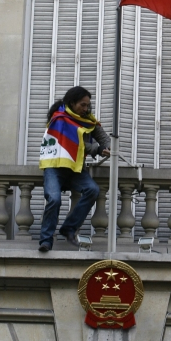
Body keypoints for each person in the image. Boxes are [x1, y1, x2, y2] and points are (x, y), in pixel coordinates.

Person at [38, 86, 110, 251]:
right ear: (72, 103)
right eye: (82, 105)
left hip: (75, 169)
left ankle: (69, 228)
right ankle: (46, 240)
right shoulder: (59, 119)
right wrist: (98, 150)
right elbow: (79, 146)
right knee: (54, 199)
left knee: (92, 190)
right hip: (54, 167)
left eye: (87, 106)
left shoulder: (88, 120)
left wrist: (109, 148)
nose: (86, 109)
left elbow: (103, 137)